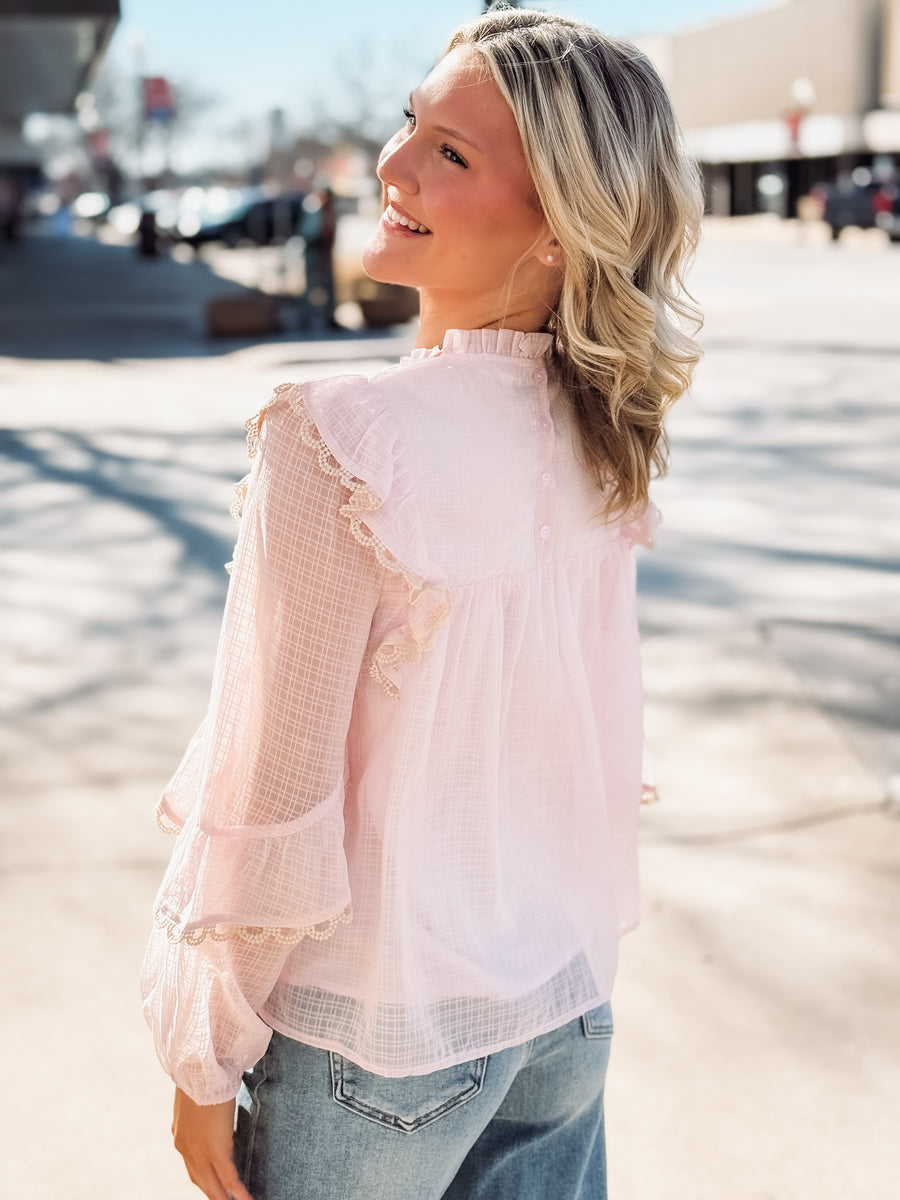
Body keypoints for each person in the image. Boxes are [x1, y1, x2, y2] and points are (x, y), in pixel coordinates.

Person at [141, 7, 703, 1200]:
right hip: (562, 1003)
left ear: (558, 224)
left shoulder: (342, 438)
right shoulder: (603, 429)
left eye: (451, 152)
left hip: (378, 1038)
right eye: (411, 125)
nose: (391, 165)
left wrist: (205, 1053)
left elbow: (275, 792)